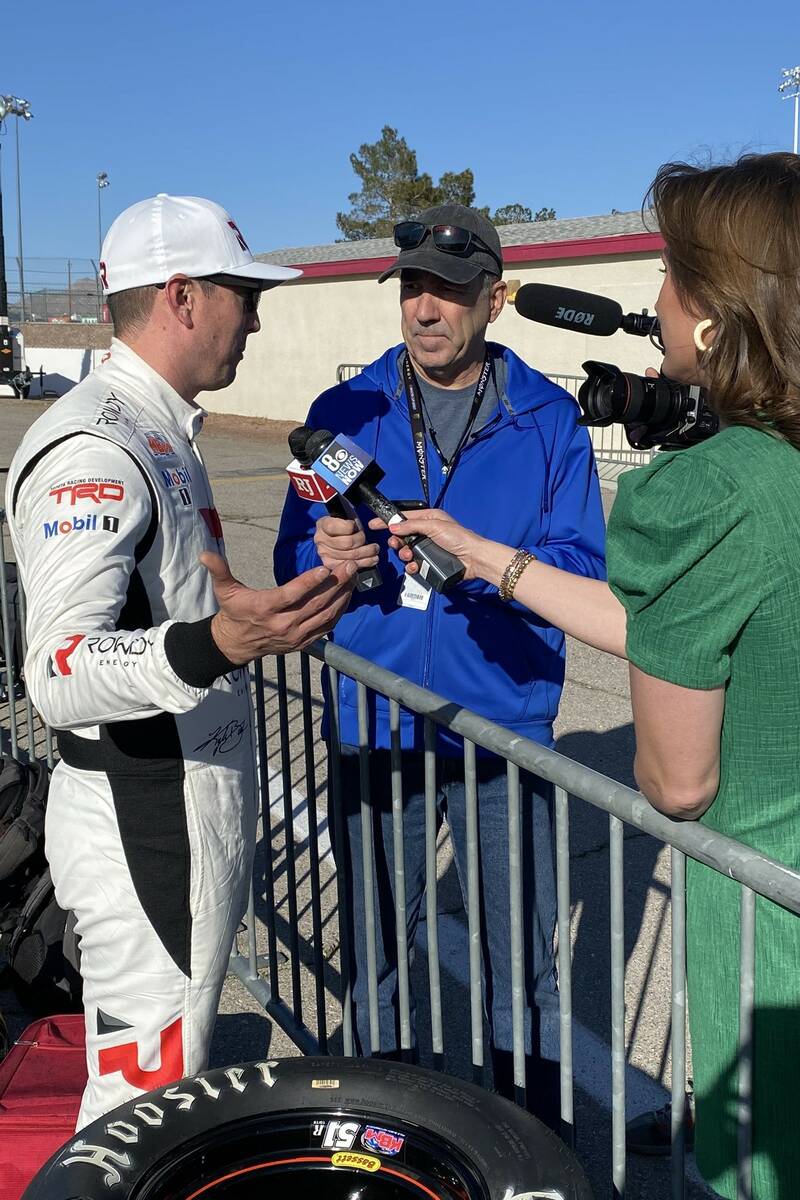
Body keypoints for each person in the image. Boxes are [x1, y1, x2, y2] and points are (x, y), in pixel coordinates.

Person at [380, 156, 800, 1198]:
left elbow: (676, 780)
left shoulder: (705, 490)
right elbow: (690, 628)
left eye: (671, 269)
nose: (653, 295)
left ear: (716, 314)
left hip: (786, 961)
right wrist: (486, 555)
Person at [5, 194, 357, 1129]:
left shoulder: (165, 425)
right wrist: (221, 642)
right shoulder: (98, 442)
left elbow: (173, 598)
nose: (257, 316)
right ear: (183, 295)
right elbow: (60, 669)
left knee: (175, 1077)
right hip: (143, 812)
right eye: (244, 294)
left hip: (188, 798)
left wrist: (245, 608)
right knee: (141, 1109)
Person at [274, 203, 606, 1125]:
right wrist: (327, 554)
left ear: (492, 300)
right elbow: (291, 555)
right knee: (377, 956)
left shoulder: (548, 420)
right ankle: (382, 1135)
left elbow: (582, 572)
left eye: (450, 290)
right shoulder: (346, 413)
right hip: (376, 725)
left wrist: (482, 559)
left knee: (520, 966)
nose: (426, 308)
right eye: (413, 286)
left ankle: (531, 1148)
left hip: (503, 734)